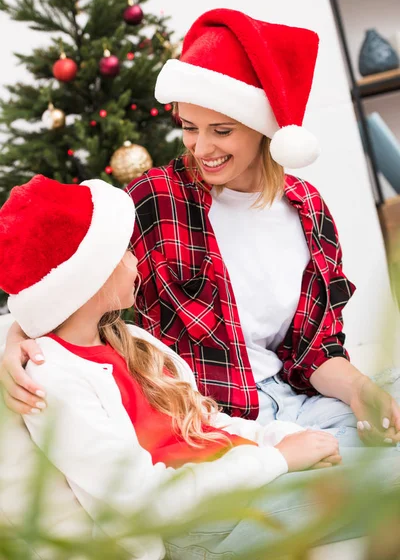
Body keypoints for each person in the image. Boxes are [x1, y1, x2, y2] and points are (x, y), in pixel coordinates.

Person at [2, 8, 400, 448]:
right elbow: (65, 271)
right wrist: (18, 337)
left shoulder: (308, 210)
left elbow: (315, 349)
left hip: (298, 400)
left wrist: (361, 390)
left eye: (222, 131)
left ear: (263, 129)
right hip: (210, 423)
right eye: (190, 128)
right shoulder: (156, 199)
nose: (202, 148)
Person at [0, 175, 345, 559]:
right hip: (196, 522)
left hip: (243, 476)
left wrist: (279, 440)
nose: (136, 261)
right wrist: (276, 459)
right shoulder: (53, 377)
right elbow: (143, 502)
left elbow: (206, 421)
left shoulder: (133, 341)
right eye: (126, 251)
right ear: (92, 278)